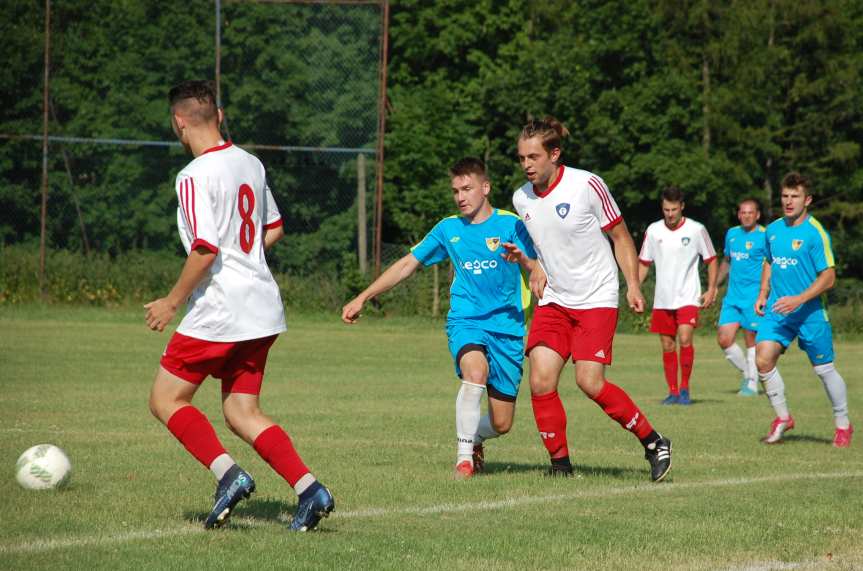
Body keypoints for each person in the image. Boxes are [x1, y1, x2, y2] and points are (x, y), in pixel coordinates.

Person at [145, 80, 334, 531]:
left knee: (165, 399)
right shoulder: (250, 162)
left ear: (179, 121)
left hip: (222, 309)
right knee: (240, 410)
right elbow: (274, 227)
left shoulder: (193, 175)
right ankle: (310, 490)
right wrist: (244, 257)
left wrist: (172, 302)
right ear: (220, 115)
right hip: (262, 307)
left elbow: (206, 248)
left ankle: (228, 475)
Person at [342, 157, 538, 479]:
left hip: (507, 327)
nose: (461, 196)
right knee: (474, 371)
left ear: (485, 188)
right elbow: (407, 264)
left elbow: (538, 265)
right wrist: (364, 296)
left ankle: (473, 437)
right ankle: (464, 460)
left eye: (467, 188)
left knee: (502, 423)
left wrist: (529, 265)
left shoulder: (512, 225)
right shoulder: (448, 229)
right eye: (456, 190)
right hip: (467, 320)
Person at [508, 117, 672, 482]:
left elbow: (620, 236)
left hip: (596, 298)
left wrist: (632, 284)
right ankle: (560, 466)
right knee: (540, 381)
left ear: (555, 154)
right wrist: (535, 267)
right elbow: (538, 242)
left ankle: (653, 441)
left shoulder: (586, 185)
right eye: (521, 158)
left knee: (589, 382)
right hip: (554, 301)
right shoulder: (522, 198)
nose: (527, 165)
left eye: (533, 157)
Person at [754, 171, 853, 447]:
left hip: (809, 312)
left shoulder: (815, 234)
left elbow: (828, 277)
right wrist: (763, 293)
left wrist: (798, 299)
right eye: (785, 196)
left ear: (807, 200)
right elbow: (769, 262)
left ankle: (843, 424)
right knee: (762, 359)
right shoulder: (772, 230)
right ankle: (783, 418)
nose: (788, 201)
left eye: (794, 196)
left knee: (823, 369)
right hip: (778, 309)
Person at [638, 187, 718, 405]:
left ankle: (685, 389)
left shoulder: (696, 230)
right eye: (666, 209)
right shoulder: (654, 231)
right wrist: (634, 289)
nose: (670, 214)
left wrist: (711, 288)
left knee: (684, 338)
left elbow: (711, 259)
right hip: (663, 299)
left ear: (682, 207)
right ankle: (672, 392)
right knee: (667, 345)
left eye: (674, 209)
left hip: (688, 297)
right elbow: (644, 263)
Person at [716, 199, 767, 397]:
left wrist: (766, 292)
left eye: (750, 212)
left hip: (753, 297)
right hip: (732, 298)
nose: (746, 215)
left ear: (757, 215)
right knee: (724, 339)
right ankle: (748, 372)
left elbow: (770, 265)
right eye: (743, 212)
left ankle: (752, 384)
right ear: (739, 215)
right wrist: (713, 286)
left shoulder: (765, 236)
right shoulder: (732, 234)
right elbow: (727, 261)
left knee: (750, 339)